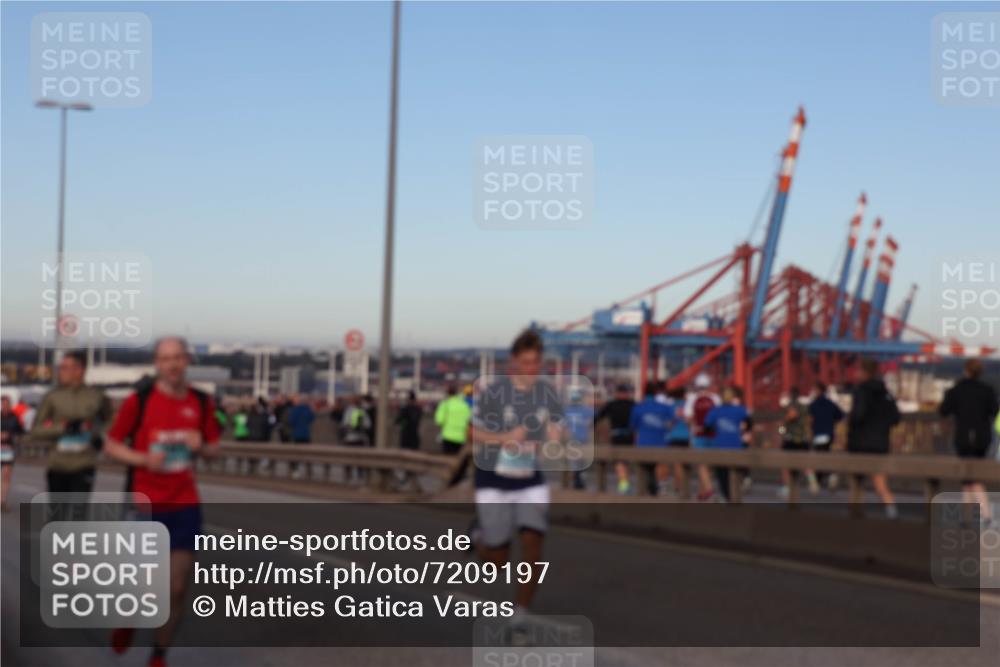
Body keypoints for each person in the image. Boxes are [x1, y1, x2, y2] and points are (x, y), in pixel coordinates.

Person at [104, 336, 220, 667]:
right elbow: (112, 445)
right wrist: (142, 459)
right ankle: (128, 619)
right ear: (157, 362)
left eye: (178, 358)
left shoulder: (201, 402)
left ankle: (158, 655)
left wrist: (202, 447)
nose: (172, 364)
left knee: (177, 588)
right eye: (165, 358)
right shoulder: (138, 401)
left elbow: (215, 450)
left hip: (184, 503)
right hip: (146, 503)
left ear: (186, 361)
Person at [469, 329, 560, 629]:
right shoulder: (495, 392)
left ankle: (521, 610)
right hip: (493, 477)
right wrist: (503, 438)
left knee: (533, 541)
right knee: (498, 560)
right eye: (525, 362)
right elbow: (472, 433)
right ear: (514, 362)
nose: (531, 368)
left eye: (536, 362)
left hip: (529, 477)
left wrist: (554, 436)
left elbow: (556, 430)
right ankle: (480, 538)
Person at [30, 350, 113, 511]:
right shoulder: (52, 397)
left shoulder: (97, 396)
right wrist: (64, 428)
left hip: (84, 464)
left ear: (79, 370)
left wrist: (99, 435)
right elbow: (35, 430)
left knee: (78, 514)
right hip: (58, 465)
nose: (61, 371)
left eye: (66, 368)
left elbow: (111, 422)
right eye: (62, 367)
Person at [939, 359, 999, 525]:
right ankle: (967, 517)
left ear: (966, 370)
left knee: (971, 477)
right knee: (969, 477)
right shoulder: (987, 390)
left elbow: (944, 410)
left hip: (963, 437)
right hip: (982, 438)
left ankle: (985, 514)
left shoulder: (957, 390)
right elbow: (994, 411)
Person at [847, 358, 901, 519]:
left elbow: (858, 416)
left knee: (856, 481)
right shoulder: (885, 392)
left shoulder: (861, 391)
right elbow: (896, 418)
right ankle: (891, 510)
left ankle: (855, 516)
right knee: (879, 481)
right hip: (881, 442)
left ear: (864, 372)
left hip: (861, 443)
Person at [704, 386, 752, 501]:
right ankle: (736, 494)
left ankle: (728, 497)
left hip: (720, 446)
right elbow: (749, 423)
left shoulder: (716, 411)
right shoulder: (740, 409)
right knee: (736, 472)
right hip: (736, 445)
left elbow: (707, 426)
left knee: (722, 475)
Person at [629, 382, 675, 495]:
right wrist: (665, 429)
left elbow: (633, 426)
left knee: (646, 469)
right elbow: (672, 422)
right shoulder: (665, 407)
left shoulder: (638, 408)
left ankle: (647, 491)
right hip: (660, 442)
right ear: (656, 393)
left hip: (643, 443)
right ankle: (659, 487)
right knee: (660, 465)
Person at [686, 373, 720, 501]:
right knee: (707, 465)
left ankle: (709, 491)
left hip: (698, 435)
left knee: (701, 464)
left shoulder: (692, 399)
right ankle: (703, 492)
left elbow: (688, 418)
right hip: (713, 435)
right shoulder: (715, 398)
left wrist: (694, 426)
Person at [596, 384, 635, 494]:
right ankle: (625, 483)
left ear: (617, 393)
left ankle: (624, 484)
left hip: (616, 435)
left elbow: (598, 417)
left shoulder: (611, 404)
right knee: (624, 461)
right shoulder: (632, 404)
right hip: (629, 436)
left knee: (619, 461)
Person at [778, 387, 817, 497]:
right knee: (806, 464)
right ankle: (813, 483)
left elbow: (782, 425)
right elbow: (810, 421)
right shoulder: (805, 408)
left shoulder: (788, 407)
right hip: (803, 438)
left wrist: (782, 432)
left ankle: (786, 487)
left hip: (790, 439)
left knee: (785, 466)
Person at [808, 382, 845, 490]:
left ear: (819, 390)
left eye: (814, 390)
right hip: (829, 434)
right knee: (824, 457)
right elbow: (840, 416)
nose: (813, 392)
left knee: (813, 460)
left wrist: (809, 434)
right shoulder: (831, 404)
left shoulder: (813, 405)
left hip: (817, 435)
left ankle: (815, 483)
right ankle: (829, 476)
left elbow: (810, 420)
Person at [563, 388, 594, 490]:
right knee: (581, 462)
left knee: (575, 462)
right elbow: (590, 423)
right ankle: (579, 479)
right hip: (582, 438)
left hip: (574, 439)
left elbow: (564, 426)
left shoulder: (566, 410)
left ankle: (577, 479)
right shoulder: (586, 410)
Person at [664, 386, 692, 491]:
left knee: (677, 463)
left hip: (673, 436)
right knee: (685, 462)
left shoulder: (670, 407)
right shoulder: (688, 406)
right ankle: (683, 484)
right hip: (687, 436)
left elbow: (668, 423)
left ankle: (678, 485)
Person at [1, 396, 24, 512]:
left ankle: (2, 501)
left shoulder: (14, 417)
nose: (5, 406)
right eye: (3, 404)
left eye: (7, 404)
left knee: (6, 475)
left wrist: (11, 435)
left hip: (8, 449)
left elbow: (20, 431)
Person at [435, 385, 472, 455]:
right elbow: (469, 420)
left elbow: (439, 420)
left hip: (447, 436)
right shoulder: (464, 405)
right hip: (461, 437)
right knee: (457, 457)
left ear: (447, 393)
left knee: (447, 457)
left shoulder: (445, 404)